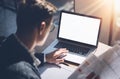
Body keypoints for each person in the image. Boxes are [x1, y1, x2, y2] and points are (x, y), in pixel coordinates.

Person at [0, 0, 68, 79]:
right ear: (42, 27)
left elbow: (16, 56)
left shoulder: (4, 45)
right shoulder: (26, 75)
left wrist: (45, 57)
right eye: (50, 28)